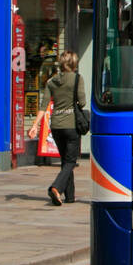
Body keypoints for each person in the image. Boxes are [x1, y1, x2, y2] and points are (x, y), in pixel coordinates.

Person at [45, 50, 87, 206]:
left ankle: (70, 197)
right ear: (74, 63)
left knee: (65, 161)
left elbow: (44, 105)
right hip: (71, 125)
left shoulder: (51, 81)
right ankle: (56, 188)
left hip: (56, 125)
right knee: (70, 161)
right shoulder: (77, 79)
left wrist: (35, 125)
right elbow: (82, 102)